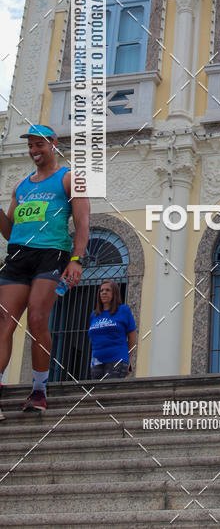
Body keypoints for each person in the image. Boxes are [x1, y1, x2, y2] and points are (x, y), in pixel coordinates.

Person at [0, 125, 90, 416]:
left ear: (53, 144)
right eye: (30, 146)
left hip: (51, 255)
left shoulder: (69, 179)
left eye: (39, 145)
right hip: (17, 255)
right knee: (4, 323)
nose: (34, 151)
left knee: (38, 318)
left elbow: (83, 224)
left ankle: (39, 389)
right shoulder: (21, 186)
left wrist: (76, 260)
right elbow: (9, 231)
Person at [88, 280, 136, 380]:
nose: (104, 292)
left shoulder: (124, 310)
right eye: (101, 290)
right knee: (97, 394)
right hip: (96, 361)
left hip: (117, 359)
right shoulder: (94, 315)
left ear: (115, 293)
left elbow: (132, 338)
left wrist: (127, 359)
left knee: (109, 392)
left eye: (107, 290)